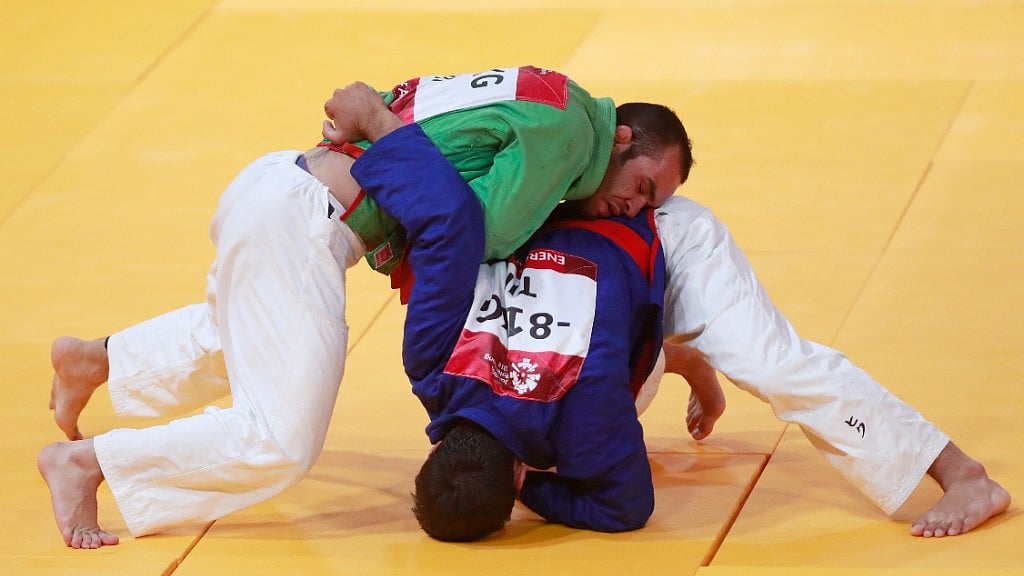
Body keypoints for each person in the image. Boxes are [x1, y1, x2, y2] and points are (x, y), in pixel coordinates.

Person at [39, 66, 692, 549]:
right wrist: (378, 123)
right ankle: (85, 463)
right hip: (301, 220)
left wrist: (376, 122)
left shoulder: (547, 93)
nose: (637, 209)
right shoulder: (570, 138)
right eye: (641, 187)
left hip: (281, 183)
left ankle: (102, 361)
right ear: (623, 135)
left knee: (254, 332)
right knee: (280, 440)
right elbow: (477, 230)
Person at [351, 119, 669, 540]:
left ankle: (688, 360)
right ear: (435, 450)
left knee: (643, 367)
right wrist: (377, 123)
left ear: (519, 471)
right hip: (546, 193)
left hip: (632, 222)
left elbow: (625, 507)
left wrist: (531, 491)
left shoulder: (583, 421)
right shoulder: (430, 363)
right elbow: (449, 222)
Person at [650, 195, 1011, 538]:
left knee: (774, 369)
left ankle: (963, 475)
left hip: (662, 239)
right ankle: (682, 358)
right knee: (600, 380)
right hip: (601, 265)